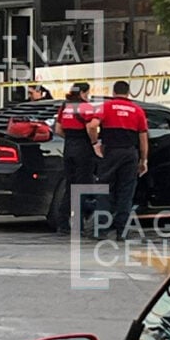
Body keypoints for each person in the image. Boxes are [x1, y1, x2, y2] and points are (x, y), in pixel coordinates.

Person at [86, 80, 149, 240]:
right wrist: (143, 160)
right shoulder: (137, 110)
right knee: (126, 193)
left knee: (105, 191)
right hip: (130, 154)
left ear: (114, 92)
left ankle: (101, 231)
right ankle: (122, 232)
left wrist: (95, 144)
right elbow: (143, 139)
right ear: (128, 93)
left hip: (111, 152)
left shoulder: (106, 107)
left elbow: (92, 125)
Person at [53, 82, 97, 235]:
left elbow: (58, 129)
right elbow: (91, 127)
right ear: (84, 93)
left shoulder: (65, 106)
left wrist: (70, 139)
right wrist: (94, 142)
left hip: (68, 147)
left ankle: (62, 223)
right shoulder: (85, 107)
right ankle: (79, 225)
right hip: (83, 148)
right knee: (83, 186)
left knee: (70, 186)